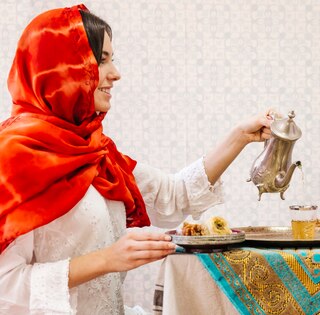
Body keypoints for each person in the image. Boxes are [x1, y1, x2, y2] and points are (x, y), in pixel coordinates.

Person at [0, 4, 272, 314]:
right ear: (61, 68)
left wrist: (240, 136)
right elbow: (6, 285)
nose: (115, 74)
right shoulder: (12, 159)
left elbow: (175, 194)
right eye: (101, 61)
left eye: (111, 59)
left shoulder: (97, 152)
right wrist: (108, 259)